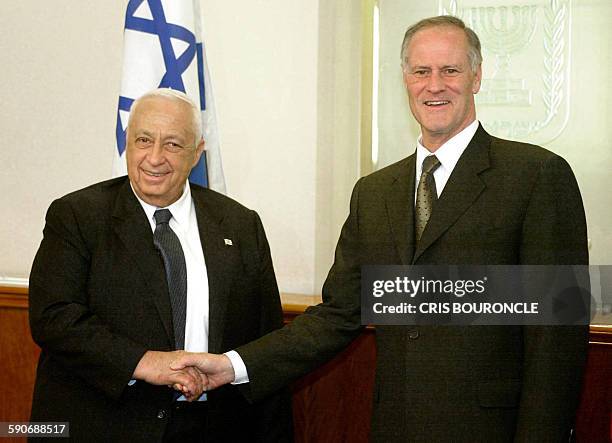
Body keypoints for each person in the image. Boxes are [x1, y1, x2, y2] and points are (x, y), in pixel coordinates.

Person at [172, 16, 589, 442]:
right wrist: (231, 366)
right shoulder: (373, 193)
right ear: (405, 79)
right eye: (421, 71)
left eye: (451, 70)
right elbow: (338, 315)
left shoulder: (536, 176)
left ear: (477, 76)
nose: (435, 85)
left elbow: (556, 338)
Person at [28, 88, 292, 442]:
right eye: (143, 140)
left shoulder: (240, 225)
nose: (154, 158)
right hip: (107, 424)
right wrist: (145, 362)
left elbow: (266, 342)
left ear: (197, 152)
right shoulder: (78, 216)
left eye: (172, 144)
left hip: (214, 426)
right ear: (127, 141)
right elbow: (54, 318)